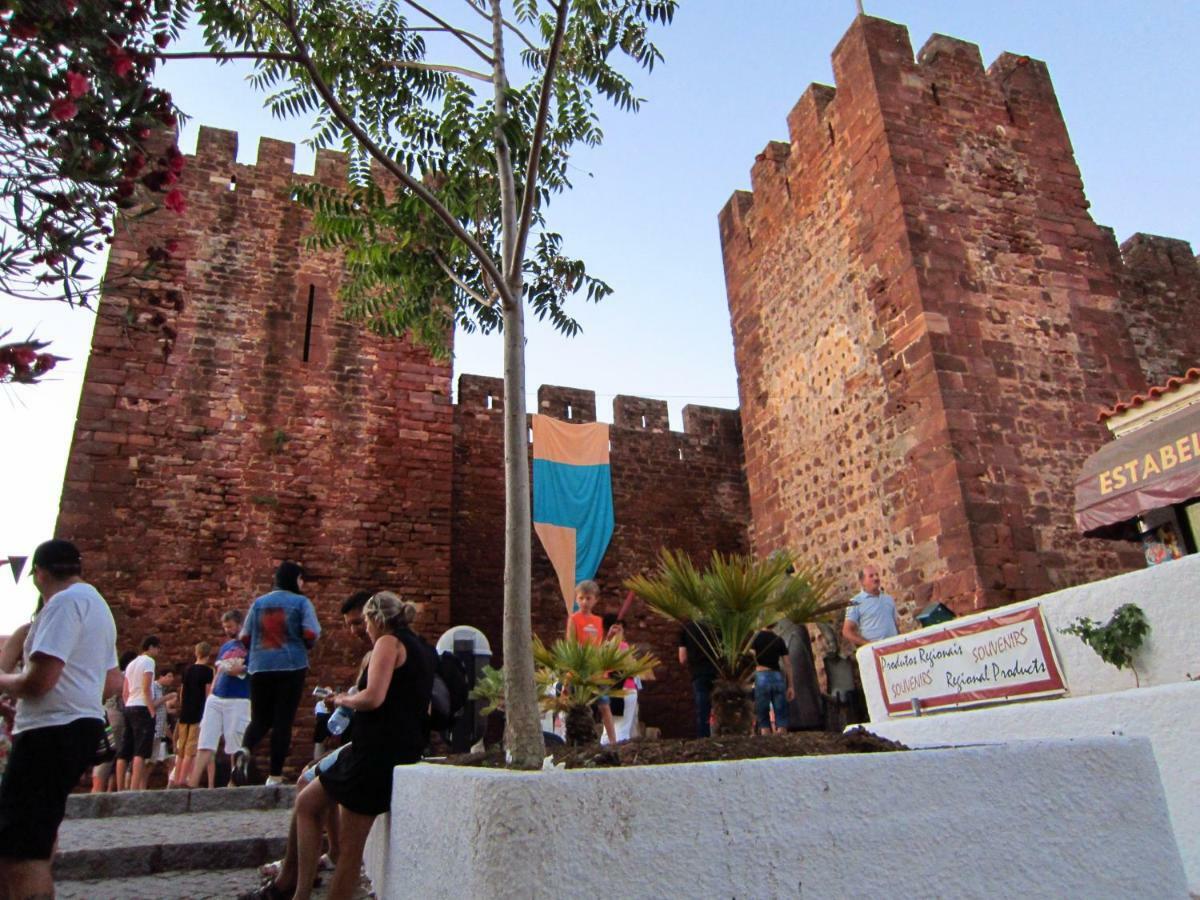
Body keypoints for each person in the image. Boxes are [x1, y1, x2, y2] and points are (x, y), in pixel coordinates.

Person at [245, 591, 433, 900]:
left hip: (376, 753)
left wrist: (341, 699)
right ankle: (297, 892)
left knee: (350, 851)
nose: (363, 631)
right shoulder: (421, 648)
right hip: (391, 747)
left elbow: (373, 697)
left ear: (375, 619)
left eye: (364, 623)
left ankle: (301, 891)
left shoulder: (388, 642)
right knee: (309, 803)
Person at [0, 539, 119, 899]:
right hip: (77, 728)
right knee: (38, 836)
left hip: (49, 732)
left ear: (39, 573)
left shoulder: (63, 603)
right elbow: (113, 680)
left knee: (18, 851)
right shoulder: (98, 605)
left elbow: (39, 680)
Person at [235, 561, 321, 786]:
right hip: (291, 667)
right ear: (294, 579)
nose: (302, 584)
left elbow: (244, 637)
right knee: (283, 721)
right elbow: (311, 633)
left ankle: (245, 748)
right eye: (301, 579)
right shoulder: (301, 602)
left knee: (260, 719)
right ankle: (274, 775)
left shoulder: (258, 603)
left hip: (259, 667)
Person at [189, 610, 251, 788]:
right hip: (218, 696)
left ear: (240, 625)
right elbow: (218, 670)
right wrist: (212, 693)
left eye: (230, 626)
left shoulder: (251, 645)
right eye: (225, 627)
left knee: (235, 741)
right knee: (206, 739)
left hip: (238, 697)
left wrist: (236, 669)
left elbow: (246, 669)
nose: (227, 630)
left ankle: (234, 781)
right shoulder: (226, 646)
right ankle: (192, 782)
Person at [565, 580, 616, 745]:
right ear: (576, 600)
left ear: (595, 600)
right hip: (579, 670)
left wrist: (609, 637)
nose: (585, 602)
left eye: (588, 598)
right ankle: (573, 741)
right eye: (581, 598)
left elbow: (600, 644)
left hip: (596, 670)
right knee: (575, 706)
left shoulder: (598, 621)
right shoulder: (574, 619)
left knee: (604, 705)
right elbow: (571, 645)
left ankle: (613, 740)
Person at [119, 635, 162, 791]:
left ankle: (120, 788)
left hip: (129, 705)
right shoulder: (149, 662)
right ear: (151, 647)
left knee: (124, 750)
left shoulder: (131, 664)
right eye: (157, 648)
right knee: (140, 751)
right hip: (142, 706)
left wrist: (127, 706)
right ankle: (134, 787)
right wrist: (151, 710)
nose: (158, 651)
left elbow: (125, 691)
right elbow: (146, 688)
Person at [92, 649, 137, 792]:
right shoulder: (122, 677)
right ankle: (98, 787)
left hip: (107, 713)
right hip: (116, 716)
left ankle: (103, 787)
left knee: (110, 753)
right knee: (109, 753)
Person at [171, 642, 214, 787]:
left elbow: (182, 691)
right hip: (199, 712)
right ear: (208, 655)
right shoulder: (208, 672)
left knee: (181, 747)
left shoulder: (187, 670)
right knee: (191, 748)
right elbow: (208, 693)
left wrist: (183, 707)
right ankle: (183, 779)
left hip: (186, 712)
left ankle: (176, 778)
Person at [600, 614, 639, 744]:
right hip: (625, 689)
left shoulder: (603, 647)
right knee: (622, 729)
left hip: (608, 689)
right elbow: (631, 669)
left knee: (608, 729)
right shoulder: (622, 647)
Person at [841, 564, 900, 647]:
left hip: (895, 648)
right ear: (862, 581)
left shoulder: (888, 599)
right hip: (876, 652)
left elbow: (895, 625)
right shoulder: (855, 602)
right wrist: (868, 645)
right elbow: (847, 631)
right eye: (871, 576)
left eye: (877, 575)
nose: (876, 578)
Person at [749, 624, 793, 734]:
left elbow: (750, 659)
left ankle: (767, 741)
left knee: (763, 715)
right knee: (781, 714)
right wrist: (791, 686)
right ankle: (783, 742)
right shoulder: (779, 639)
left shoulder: (755, 638)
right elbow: (788, 664)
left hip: (761, 675)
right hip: (777, 676)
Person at [677, 620, 718, 737]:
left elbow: (682, 658)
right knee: (720, 708)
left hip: (698, 673)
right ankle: (721, 737)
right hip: (719, 673)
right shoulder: (716, 624)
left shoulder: (686, 628)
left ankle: (704, 739)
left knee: (703, 710)